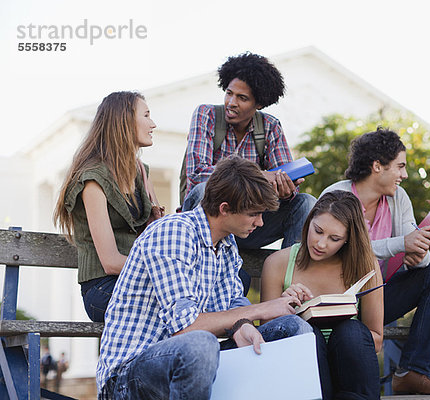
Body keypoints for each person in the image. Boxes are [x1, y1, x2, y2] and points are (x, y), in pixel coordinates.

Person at [96, 156, 313, 399]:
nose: (261, 223)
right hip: (128, 378)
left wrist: (243, 327)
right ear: (224, 208)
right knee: (200, 344)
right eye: (254, 214)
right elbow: (186, 328)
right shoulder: (174, 233)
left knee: (291, 327)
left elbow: (232, 302)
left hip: (188, 366)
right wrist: (262, 309)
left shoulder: (226, 242)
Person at [321, 128, 430, 395]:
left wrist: (417, 253)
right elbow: (335, 253)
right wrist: (400, 245)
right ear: (377, 166)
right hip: (340, 299)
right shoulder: (336, 196)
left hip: (380, 297)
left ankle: (412, 371)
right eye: (400, 167)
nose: (404, 175)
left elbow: (416, 251)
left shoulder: (399, 198)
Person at [181, 52, 316, 252]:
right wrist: (258, 177)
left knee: (306, 202)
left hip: (250, 224)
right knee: (202, 189)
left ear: (259, 103)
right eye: (229, 93)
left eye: (242, 98)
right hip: (207, 219)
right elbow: (197, 174)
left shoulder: (270, 127)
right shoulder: (206, 115)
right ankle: (205, 256)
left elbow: (283, 180)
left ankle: (291, 273)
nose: (231, 102)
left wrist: (285, 189)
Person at [261, 190, 384, 399]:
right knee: (308, 333)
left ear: (347, 240)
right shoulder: (277, 263)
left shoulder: (365, 264)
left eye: (334, 238)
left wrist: (336, 347)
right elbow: (268, 337)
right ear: (309, 222)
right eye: (317, 231)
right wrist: (284, 308)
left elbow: (377, 340)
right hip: (304, 367)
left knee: (350, 331)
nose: (321, 244)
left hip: (349, 369)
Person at [54, 91, 159, 322]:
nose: (153, 124)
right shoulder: (93, 179)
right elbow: (110, 262)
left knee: (191, 300)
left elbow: (156, 237)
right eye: (147, 115)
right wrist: (164, 271)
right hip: (102, 289)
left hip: (137, 282)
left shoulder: (141, 172)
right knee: (174, 307)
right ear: (125, 121)